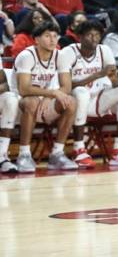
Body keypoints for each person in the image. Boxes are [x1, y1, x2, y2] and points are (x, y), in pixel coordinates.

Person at [57, 20, 118, 168]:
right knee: (81, 93)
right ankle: (79, 149)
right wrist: (97, 75)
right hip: (74, 103)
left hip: (99, 99)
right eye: (89, 35)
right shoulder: (67, 53)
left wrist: (116, 78)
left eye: (97, 35)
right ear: (80, 37)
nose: (94, 38)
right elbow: (66, 87)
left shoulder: (104, 50)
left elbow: (114, 80)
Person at [14, 21, 78, 172]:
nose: (52, 39)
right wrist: (52, 93)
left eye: (55, 36)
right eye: (47, 36)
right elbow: (24, 89)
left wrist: (49, 97)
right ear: (36, 39)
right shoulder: (27, 55)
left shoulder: (60, 55)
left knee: (71, 102)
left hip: (44, 101)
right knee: (31, 102)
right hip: (18, 102)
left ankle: (57, 154)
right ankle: (24, 155)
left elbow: (66, 87)